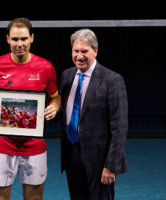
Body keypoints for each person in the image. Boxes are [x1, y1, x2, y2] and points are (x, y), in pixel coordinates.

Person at [0, 18, 61, 200]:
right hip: (1, 145)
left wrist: (54, 107)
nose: (19, 44)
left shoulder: (46, 68)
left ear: (32, 38)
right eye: (15, 39)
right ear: (7, 39)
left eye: (24, 39)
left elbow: (55, 97)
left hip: (34, 147)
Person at [60, 28, 128, 200]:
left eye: (85, 51)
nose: (79, 56)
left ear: (95, 51)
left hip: (100, 159)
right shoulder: (67, 76)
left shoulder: (112, 80)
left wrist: (111, 165)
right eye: (76, 51)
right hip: (72, 155)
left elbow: (119, 127)